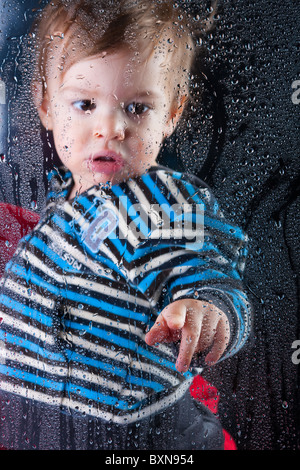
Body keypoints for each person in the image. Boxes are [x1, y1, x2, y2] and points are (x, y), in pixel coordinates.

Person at [0, 0, 251, 450]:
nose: (109, 127)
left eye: (136, 109)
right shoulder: (61, 198)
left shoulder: (160, 204)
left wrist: (207, 310)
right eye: (84, 104)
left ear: (171, 114)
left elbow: (210, 269)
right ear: (45, 105)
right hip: (36, 421)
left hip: (128, 435)